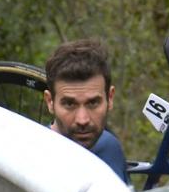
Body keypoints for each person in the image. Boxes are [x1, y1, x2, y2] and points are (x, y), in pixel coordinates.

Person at [43, 39, 128, 183]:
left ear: (110, 98)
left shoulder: (110, 147)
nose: (82, 120)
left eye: (93, 103)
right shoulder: (35, 161)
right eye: (69, 104)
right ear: (50, 102)